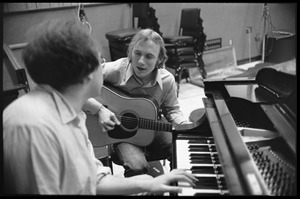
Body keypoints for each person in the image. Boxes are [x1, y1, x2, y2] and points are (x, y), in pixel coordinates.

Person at [3, 19, 197, 195]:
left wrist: (147, 183)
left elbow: (92, 179)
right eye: (100, 61)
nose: (105, 64)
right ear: (86, 73)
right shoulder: (34, 126)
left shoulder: (73, 116)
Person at [83, 28, 191, 177]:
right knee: (137, 166)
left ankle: (177, 188)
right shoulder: (114, 70)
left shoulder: (167, 80)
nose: (140, 61)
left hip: (153, 128)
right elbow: (77, 87)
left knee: (180, 148)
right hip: (121, 135)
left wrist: (185, 126)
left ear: (159, 60)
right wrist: (100, 109)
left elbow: (172, 110)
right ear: (130, 53)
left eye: (149, 56)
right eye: (137, 53)